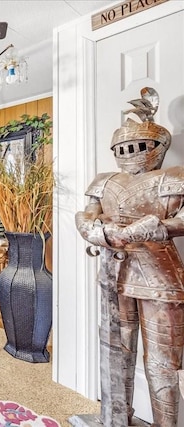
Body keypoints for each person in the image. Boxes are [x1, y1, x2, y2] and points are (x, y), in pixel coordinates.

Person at [74, 87, 184, 427]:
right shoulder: (105, 181)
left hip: (158, 276)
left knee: (161, 362)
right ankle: (117, 418)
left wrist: (157, 228)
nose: (129, 153)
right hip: (113, 270)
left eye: (137, 147)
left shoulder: (173, 176)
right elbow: (85, 216)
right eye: (123, 148)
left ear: (156, 148)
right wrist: (103, 234)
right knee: (116, 353)